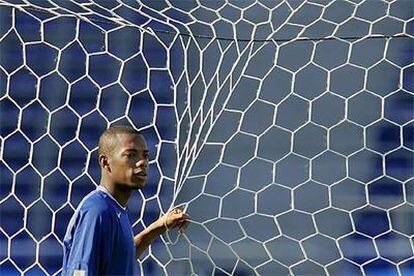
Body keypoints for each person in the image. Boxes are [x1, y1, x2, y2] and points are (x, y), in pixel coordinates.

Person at [62, 125, 189, 275]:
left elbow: (120, 259)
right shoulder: (97, 210)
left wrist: (159, 227)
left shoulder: (115, 208)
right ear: (105, 162)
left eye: (145, 155)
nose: (142, 162)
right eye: (131, 155)